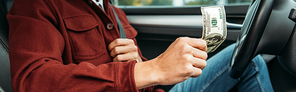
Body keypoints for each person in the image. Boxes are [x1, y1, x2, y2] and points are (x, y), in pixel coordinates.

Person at [7, 0, 274, 92]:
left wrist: (140, 63)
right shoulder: (38, 4)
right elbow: (32, 81)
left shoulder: (116, 13)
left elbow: (141, 78)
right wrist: (148, 70)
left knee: (249, 59)